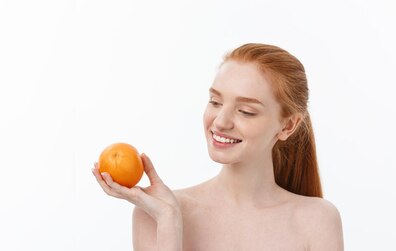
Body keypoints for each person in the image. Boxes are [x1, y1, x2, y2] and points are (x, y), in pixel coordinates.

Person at [91, 43, 344, 250]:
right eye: (215, 101)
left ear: (287, 126)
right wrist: (170, 223)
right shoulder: (156, 214)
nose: (220, 122)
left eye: (246, 111)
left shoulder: (317, 221)